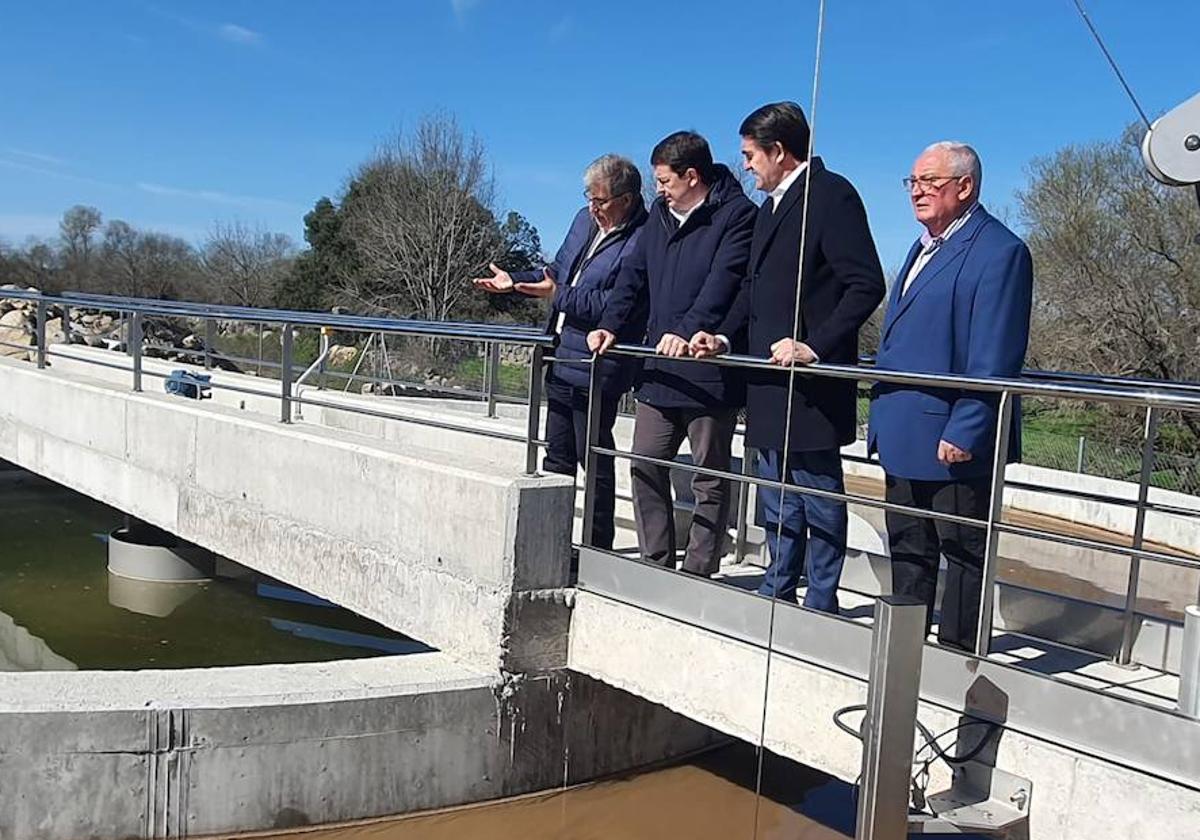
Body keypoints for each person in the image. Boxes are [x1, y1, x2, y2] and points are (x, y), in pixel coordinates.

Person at [690, 102, 885, 613]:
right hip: (769, 383)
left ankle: (821, 600)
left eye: (751, 155)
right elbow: (752, 293)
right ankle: (777, 588)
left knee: (818, 495)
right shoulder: (771, 207)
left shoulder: (832, 196)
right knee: (775, 496)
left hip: (811, 386)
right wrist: (723, 338)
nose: (746, 165)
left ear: (779, 151)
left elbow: (865, 284)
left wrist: (815, 344)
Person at [867, 141, 1033, 650]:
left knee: (962, 556)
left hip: (951, 439)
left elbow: (996, 353)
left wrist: (968, 428)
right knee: (908, 548)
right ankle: (906, 651)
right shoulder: (921, 247)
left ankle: (959, 658)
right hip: (903, 430)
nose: (917, 191)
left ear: (965, 186)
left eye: (930, 181)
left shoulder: (1000, 251)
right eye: (912, 181)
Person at [588, 131, 756, 576]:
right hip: (658, 371)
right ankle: (654, 562)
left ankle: (699, 569)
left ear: (692, 176)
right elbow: (632, 279)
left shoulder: (737, 216)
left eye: (664, 181)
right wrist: (609, 325)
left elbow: (724, 285)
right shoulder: (658, 218)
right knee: (644, 461)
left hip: (708, 371)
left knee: (710, 477)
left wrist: (686, 332)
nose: (657, 189)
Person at [473, 154, 648, 550]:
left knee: (595, 459)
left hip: (597, 365)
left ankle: (596, 547)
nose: (593, 208)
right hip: (560, 356)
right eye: (589, 198)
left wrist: (560, 295)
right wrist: (514, 281)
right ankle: (551, 545)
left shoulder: (643, 237)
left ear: (626, 198)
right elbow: (556, 272)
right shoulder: (584, 220)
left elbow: (617, 304)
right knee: (557, 457)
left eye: (600, 201)